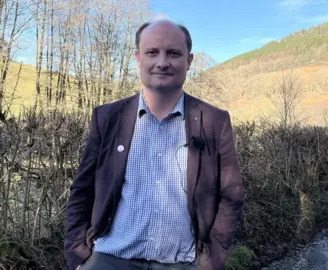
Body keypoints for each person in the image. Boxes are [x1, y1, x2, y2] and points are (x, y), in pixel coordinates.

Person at [64, 19, 245, 270]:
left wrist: (211, 261)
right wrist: (78, 255)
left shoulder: (214, 121)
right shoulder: (107, 118)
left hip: (183, 264)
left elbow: (231, 196)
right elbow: (82, 190)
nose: (162, 62)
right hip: (108, 260)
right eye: (152, 52)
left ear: (189, 61)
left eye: (173, 53)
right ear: (138, 58)